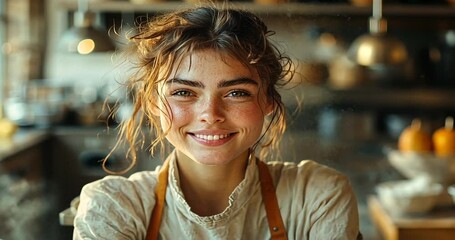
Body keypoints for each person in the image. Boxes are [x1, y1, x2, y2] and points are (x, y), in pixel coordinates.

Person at [73, 5, 361, 240]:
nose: (210, 114)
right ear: (152, 104)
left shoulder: (318, 197)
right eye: (184, 92)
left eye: (237, 93)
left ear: (268, 101)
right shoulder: (111, 205)